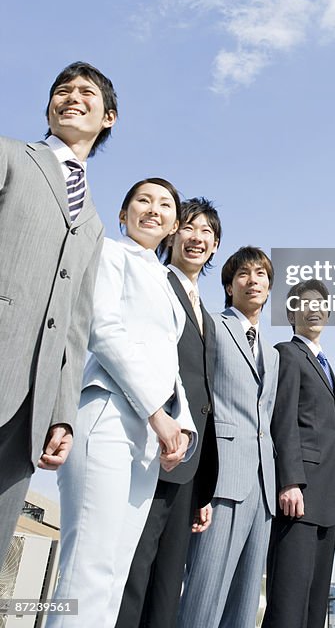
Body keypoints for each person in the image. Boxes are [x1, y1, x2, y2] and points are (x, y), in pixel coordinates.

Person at [47, 178, 196, 628]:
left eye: (165, 204)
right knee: (87, 567)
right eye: (143, 201)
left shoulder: (168, 285)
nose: (153, 209)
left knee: (115, 572)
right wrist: (157, 413)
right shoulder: (110, 254)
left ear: (173, 224)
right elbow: (104, 332)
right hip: (108, 414)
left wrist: (181, 424)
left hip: (151, 438)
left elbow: (170, 363)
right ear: (123, 214)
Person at [0, 61, 117, 566]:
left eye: (86, 92)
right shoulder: (9, 156)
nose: (71, 97)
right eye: (62, 90)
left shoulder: (92, 218)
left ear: (108, 117)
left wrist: (63, 414)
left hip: (30, 407)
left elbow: (76, 325)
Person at [116, 197, 222, 628]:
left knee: (167, 584)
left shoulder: (208, 315)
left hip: (189, 465)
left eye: (207, 233)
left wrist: (203, 487)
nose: (197, 239)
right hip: (151, 448)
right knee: (134, 573)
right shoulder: (154, 281)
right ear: (172, 231)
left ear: (215, 247)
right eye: (190, 228)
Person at [177, 246, 279, 628]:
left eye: (261, 275)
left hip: (262, 487)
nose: (253, 281)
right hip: (220, 478)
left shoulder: (273, 352)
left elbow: (264, 417)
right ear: (228, 285)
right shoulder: (212, 326)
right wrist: (198, 477)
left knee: (246, 600)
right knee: (204, 591)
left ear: (269, 288)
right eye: (243, 274)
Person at [262, 279, 335, 628]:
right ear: (291, 313)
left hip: (327, 503)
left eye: (320, 304)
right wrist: (289, 481)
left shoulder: (325, 362)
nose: (314, 309)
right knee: (288, 603)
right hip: (300, 496)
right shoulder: (287, 353)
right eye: (304, 303)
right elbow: (283, 420)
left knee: (314, 606)